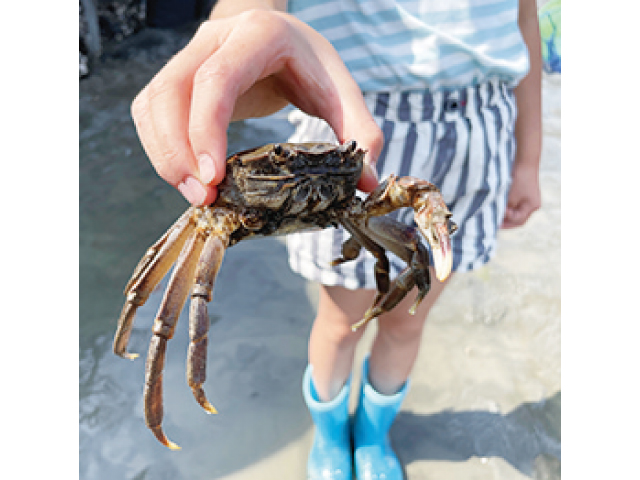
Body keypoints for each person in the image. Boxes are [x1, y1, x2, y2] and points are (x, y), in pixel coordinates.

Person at [130, 0, 542, 478]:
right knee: (330, 320)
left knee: (411, 305)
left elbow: (525, 17)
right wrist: (235, 28)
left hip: (474, 128)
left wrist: (527, 159)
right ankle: (329, 436)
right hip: (346, 109)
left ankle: (372, 435)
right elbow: (249, 16)